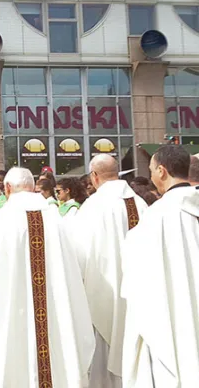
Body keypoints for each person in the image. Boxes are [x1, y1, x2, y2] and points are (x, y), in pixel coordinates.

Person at [0, 167, 95, 388]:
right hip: (55, 314)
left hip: (11, 315)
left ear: (7, 188)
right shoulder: (59, 222)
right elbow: (79, 264)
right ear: (32, 186)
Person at [121, 145, 199, 387]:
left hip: (175, 317)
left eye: (152, 169)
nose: (152, 175)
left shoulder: (155, 218)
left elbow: (136, 283)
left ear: (162, 171)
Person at [73, 154, 148, 388]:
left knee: (102, 362)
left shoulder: (93, 207)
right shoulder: (140, 204)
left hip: (103, 292)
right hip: (140, 294)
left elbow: (79, 256)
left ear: (94, 176)